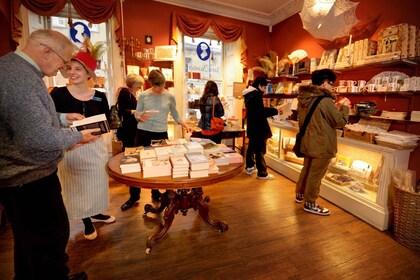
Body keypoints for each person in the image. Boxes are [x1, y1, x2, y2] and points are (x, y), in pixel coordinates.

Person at [0, 29, 100, 280]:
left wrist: (62, 118)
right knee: (49, 243)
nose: (64, 69)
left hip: (22, 177)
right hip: (29, 178)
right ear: (46, 51)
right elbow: (38, 138)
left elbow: (26, 120)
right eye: (63, 62)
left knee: (29, 246)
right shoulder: (19, 78)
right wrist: (78, 136)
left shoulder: (13, 69)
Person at [50, 51, 116, 240]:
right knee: (77, 185)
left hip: (95, 147)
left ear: (88, 73)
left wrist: (99, 132)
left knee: (97, 183)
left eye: (78, 69)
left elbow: (106, 121)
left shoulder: (100, 96)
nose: (72, 72)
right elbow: (52, 122)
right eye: (69, 68)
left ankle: (96, 212)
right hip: (73, 147)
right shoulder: (58, 93)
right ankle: (86, 219)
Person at [120, 69, 192, 210]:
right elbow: (137, 114)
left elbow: (176, 115)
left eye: (163, 85)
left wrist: (185, 125)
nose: (160, 88)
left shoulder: (169, 96)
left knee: (160, 164)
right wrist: (139, 117)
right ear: (150, 83)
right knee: (137, 165)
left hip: (160, 134)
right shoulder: (143, 96)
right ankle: (134, 196)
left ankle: (156, 192)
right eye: (157, 86)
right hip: (142, 133)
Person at [295, 69, 350, 216]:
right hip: (322, 144)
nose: (332, 88)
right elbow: (339, 122)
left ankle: (300, 194)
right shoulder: (325, 100)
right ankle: (310, 203)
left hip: (307, 141)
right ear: (325, 83)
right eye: (332, 84)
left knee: (306, 170)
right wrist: (345, 108)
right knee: (316, 175)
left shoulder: (304, 97)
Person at [242, 77, 278, 179]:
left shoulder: (249, 94)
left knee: (252, 147)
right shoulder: (256, 95)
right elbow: (260, 112)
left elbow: (256, 110)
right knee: (260, 150)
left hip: (252, 126)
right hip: (259, 127)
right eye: (264, 87)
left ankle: (249, 167)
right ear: (259, 86)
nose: (265, 90)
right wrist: (274, 111)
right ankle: (262, 173)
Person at [116, 74, 145, 148]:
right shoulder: (125, 92)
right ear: (132, 83)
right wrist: (134, 111)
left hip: (130, 125)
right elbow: (121, 110)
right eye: (139, 85)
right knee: (129, 147)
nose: (140, 87)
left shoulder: (130, 92)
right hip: (127, 126)